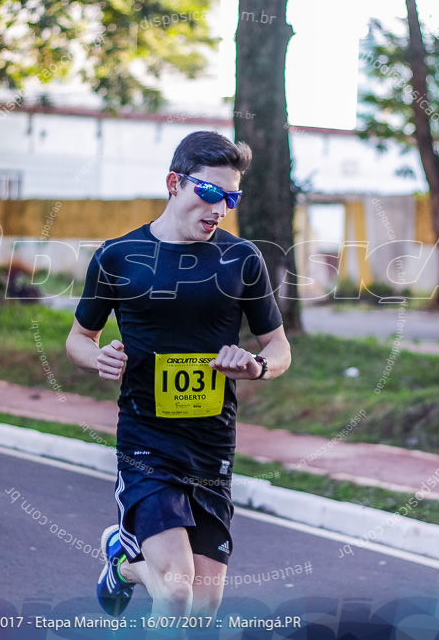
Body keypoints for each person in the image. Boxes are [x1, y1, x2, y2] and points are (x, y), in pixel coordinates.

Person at [66, 131, 291, 618]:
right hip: (148, 442)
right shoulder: (119, 256)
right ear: (174, 183)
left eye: (232, 197)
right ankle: (129, 564)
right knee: (175, 591)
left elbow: (279, 348)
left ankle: (121, 565)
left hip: (212, 444)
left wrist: (257, 367)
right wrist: (97, 357)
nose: (220, 208)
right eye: (210, 192)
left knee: (204, 607)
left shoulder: (241, 259)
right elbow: (78, 339)